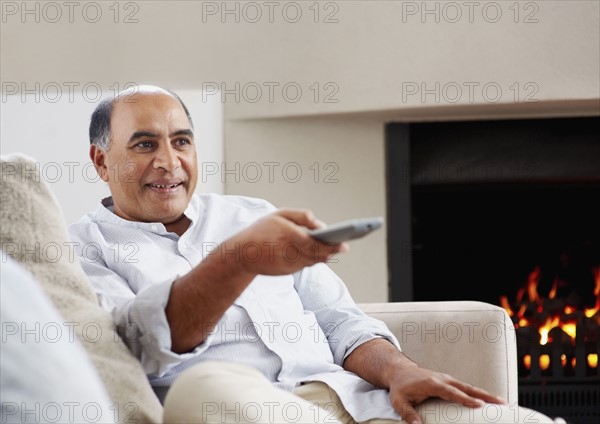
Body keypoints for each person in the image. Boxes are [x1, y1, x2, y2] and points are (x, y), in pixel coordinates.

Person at [68, 86, 550, 424]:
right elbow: (134, 347)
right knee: (205, 389)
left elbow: (340, 322)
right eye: (145, 144)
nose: (169, 162)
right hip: (234, 408)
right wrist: (240, 260)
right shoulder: (82, 249)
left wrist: (405, 373)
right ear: (101, 161)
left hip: (351, 401)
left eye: (181, 142)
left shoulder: (251, 213)